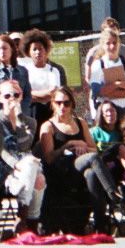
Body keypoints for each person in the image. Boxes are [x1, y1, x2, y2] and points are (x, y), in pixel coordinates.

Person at [40, 88, 110, 235]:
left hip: (82, 167)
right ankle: (113, 194)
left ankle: (100, 224)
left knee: (91, 174)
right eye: (58, 103)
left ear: (72, 104)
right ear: (52, 104)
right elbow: (49, 158)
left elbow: (94, 150)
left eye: (66, 103)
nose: (62, 107)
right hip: (61, 170)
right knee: (92, 159)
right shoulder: (48, 126)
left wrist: (83, 146)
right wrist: (68, 145)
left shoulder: (81, 122)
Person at [0, 79, 45, 238]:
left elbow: (25, 146)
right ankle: (26, 220)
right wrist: (14, 164)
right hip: (5, 168)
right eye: (7, 95)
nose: (11, 98)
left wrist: (18, 119)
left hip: (25, 168)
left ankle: (25, 220)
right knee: (35, 175)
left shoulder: (30, 122)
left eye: (16, 95)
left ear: (21, 96)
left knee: (38, 176)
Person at [87, 24, 125, 117]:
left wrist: (110, 90)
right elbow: (98, 91)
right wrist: (119, 84)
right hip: (107, 113)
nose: (112, 46)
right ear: (103, 45)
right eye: (108, 43)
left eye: (114, 42)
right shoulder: (98, 65)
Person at [20, 30, 67, 124]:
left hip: (50, 112)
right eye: (34, 49)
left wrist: (32, 94)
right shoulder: (24, 70)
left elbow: (53, 93)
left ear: (46, 50)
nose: (38, 52)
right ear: (28, 52)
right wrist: (42, 96)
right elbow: (23, 94)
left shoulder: (53, 70)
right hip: (30, 112)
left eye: (40, 49)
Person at [0, 33, 30, 116]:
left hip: (20, 113)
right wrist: (0, 114)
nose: (2, 52)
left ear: (12, 49)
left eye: (4, 48)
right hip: (0, 114)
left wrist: (21, 112)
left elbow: (27, 95)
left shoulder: (23, 70)